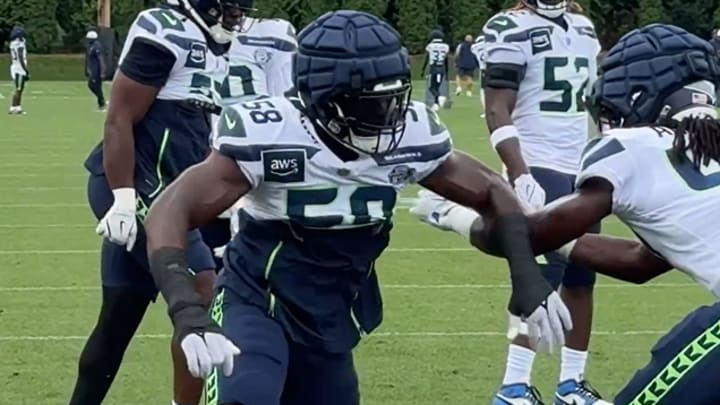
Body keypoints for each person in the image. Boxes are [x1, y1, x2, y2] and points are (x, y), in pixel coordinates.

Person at [141, 10, 574, 405]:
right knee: (246, 396)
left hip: (331, 318)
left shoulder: (410, 136)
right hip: (256, 302)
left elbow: (493, 191)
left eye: (393, 100)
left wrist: (526, 275)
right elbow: (170, 210)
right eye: (370, 106)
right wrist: (185, 307)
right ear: (322, 97)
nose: (389, 119)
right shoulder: (272, 135)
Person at [411, 23, 720, 405]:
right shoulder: (704, 147)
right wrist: (560, 239)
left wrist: (452, 214)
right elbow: (640, 263)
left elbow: (529, 236)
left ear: (640, 92)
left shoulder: (632, 147)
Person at [417, 0, 604, 403]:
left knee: (583, 277)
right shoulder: (509, 27)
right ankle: (513, 385)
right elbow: (497, 108)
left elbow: (592, 100)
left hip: (581, 164)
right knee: (543, 277)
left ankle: (572, 385)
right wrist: (519, 170)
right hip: (538, 160)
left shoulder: (584, 27)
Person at [69, 1, 252, 405]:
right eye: (231, 8)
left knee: (117, 321)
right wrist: (122, 196)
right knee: (202, 288)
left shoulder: (213, 43)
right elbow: (119, 116)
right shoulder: (165, 29)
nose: (236, 17)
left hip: (172, 192)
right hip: (136, 185)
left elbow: (199, 130)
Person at [205, 15, 298, 266]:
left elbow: (286, 110)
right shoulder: (185, 31)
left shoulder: (273, 33)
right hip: (209, 168)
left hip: (244, 169)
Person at [422, 29, 450, 111]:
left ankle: (437, 102)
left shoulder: (430, 46)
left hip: (433, 68)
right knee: (436, 86)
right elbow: (446, 60)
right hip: (441, 68)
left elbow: (427, 58)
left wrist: (423, 70)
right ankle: (437, 100)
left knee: (432, 87)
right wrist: (447, 72)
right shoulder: (446, 46)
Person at [8, 25, 29, 115]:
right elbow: (20, 57)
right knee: (18, 89)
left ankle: (18, 107)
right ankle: (13, 107)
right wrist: (26, 70)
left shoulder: (12, 43)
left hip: (15, 66)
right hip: (19, 68)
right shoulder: (19, 44)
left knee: (20, 89)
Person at [85, 30, 107, 111]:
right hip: (93, 70)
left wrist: (102, 71)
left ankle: (101, 103)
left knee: (95, 86)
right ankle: (101, 101)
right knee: (92, 86)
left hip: (97, 71)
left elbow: (100, 59)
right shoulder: (90, 46)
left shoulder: (97, 46)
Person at [470, 34, 487, 118]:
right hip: (494, 68)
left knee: (483, 91)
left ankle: (486, 111)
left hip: (483, 69)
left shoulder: (474, 47)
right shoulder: (490, 44)